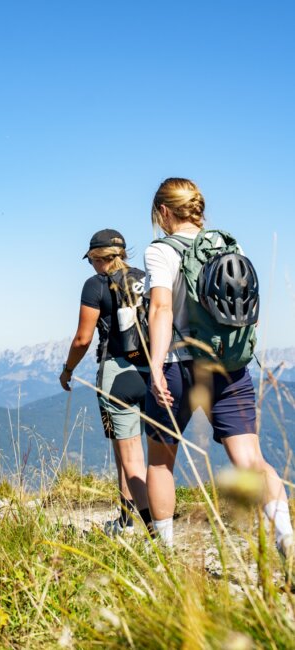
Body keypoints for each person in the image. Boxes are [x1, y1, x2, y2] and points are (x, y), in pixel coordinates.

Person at [144, 178, 293, 574]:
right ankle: (286, 536)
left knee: (160, 462)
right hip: (230, 365)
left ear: (163, 213)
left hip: (178, 365)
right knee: (251, 459)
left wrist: (156, 365)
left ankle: (165, 555)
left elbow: (160, 310)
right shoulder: (231, 247)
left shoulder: (160, 251)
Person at [60, 229, 153, 536]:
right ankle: (127, 520)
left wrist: (68, 370)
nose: (92, 267)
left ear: (100, 258)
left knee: (127, 454)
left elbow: (82, 338)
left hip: (115, 373)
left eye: (92, 261)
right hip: (152, 371)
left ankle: (153, 532)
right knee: (139, 448)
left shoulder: (96, 284)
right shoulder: (146, 279)